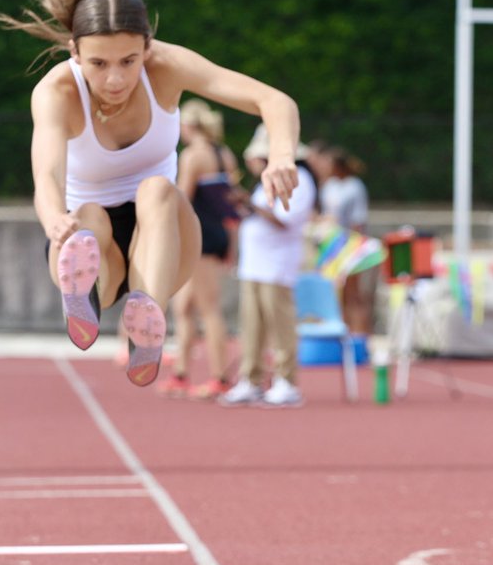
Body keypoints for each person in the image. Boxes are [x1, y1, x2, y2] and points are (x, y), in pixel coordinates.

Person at [0, 0, 300, 387]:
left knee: (157, 189)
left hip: (163, 239)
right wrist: (54, 221)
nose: (116, 79)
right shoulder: (55, 91)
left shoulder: (167, 66)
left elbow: (273, 100)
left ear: (148, 48)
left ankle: (146, 322)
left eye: (129, 60)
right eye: (98, 64)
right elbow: (46, 174)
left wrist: (282, 156)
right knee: (90, 217)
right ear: (74, 52)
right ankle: (85, 290)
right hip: (93, 242)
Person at [219, 125, 318, 408]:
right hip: (255, 266)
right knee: (252, 327)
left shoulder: (300, 179)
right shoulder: (265, 183)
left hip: (277, 266)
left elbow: (285, 219)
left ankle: (286, 381)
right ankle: (251, 379)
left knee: (280, 325)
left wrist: (248, 204)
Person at [156, 99, 242, 400]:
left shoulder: (194, 156)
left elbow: (182, 198)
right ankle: (180, 373)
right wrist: (232, 243)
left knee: (209, 308)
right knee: (183, 307)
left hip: (200, 238)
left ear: (188, 126)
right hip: (215, 234)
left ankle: (220, 377)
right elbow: (230, 203)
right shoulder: (224, 153)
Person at [317, 145, 374, 334]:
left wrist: (354, 247)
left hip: (349, 244)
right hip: (331, 244)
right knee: (336, 294)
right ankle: (342, 334)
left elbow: (358, 220)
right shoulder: (329, 186)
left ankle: (359, 336)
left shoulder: (354, 187)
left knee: (353, 293)